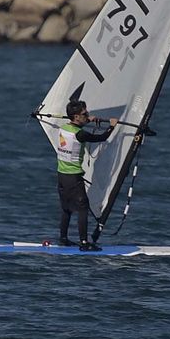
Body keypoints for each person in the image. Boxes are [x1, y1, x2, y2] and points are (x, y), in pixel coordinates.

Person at [55, 99, 119, 251]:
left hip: (61, 176)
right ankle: (84, 243)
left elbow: (79, 126)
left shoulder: (64, 128)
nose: (87, 115)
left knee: (67, 208)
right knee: (83, 208)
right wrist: (112, 126)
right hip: (73, 177)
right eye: (85, 114)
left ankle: (63, 239)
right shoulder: (80, 135)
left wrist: (88, 120)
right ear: (76, 117)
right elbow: (101, 138)